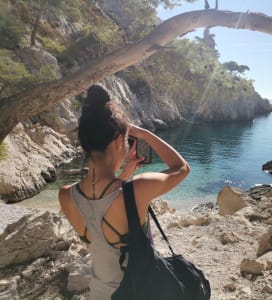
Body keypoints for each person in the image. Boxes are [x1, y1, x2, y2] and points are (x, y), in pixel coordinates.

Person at [58, 84, 190, 300]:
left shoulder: (66, 196)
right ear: (120, 141)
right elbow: (181, 168)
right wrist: (145, 134)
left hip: (99, 293)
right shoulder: (137, 189)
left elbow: (99, 226)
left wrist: (124, 174)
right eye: (127, 139)